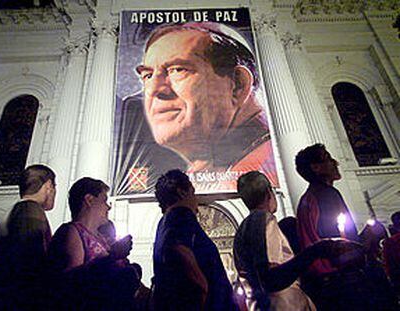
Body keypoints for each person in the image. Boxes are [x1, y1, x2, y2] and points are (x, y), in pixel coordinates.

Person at [112, 22, 277, 194]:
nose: (153, 90)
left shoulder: (265, 168)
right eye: (147, 75)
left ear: (238, 84)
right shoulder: (208, 168)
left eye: (178, 69)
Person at [234, 171, 359, 311]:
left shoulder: (242, 230)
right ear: (269, 192)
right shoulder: (264, 219)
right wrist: (316, 250)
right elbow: (270, 278)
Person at [295, 144, 384, 310]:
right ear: (316, 168)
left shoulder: (306, 199)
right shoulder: (326, 194)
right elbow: (338, 245)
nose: (335, 162)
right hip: (343, 283)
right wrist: (369, 236)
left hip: (324, 285)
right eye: (328, 158)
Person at [47, 177, 138, 310]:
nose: (108, 207)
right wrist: (112, 257)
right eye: (104, 200)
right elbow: (70, 281)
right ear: (89, 200)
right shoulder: (72, 232)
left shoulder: (100, 237)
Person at [152, 169, 238, 310]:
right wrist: (202, 288)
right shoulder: (180, 216)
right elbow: (179, 250)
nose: (196, 201)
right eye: (193, 192)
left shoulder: (164, 223)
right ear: (182, 192)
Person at [0, 164, 56, 310]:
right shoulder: (30, 210)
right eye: (54, 187)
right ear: (49, 186)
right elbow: (32, 261)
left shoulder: (15, 209)